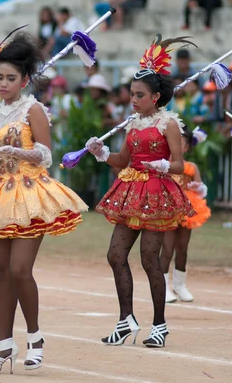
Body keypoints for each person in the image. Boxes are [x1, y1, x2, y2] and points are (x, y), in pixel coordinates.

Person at [0, 30, 87, 373]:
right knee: (1, 272)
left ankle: (35, 336)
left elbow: (45, 154)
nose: (3, 83)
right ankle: (2, 346)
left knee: (19, 269)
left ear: (25, 80)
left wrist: (16, 150)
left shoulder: (33, 108)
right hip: (0, 194)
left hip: (30, 192)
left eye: (11, 78)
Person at [86, 35, 195, 348]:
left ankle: (159, 325)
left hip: (157, 192)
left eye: (139, 95)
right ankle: (126, 320)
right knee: (115, 255)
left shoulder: (168, 123)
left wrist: (161, 165)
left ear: (156, 96)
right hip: (131, 190)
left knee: (150, 259)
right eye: (131, 94)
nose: (132, 100)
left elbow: (178, 164)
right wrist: (101, 153)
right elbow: (123, 161)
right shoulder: (132, 123)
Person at [161, 127, 211, 303]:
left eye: (181, 142)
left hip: (186, 208)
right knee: (167, 248)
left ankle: (180, 285)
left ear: (187, 147)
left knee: (182, 247)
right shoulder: (164, 164)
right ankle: (163, 286)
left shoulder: (190, 167)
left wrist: (198, 187)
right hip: (167, 208)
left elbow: (200, 187)